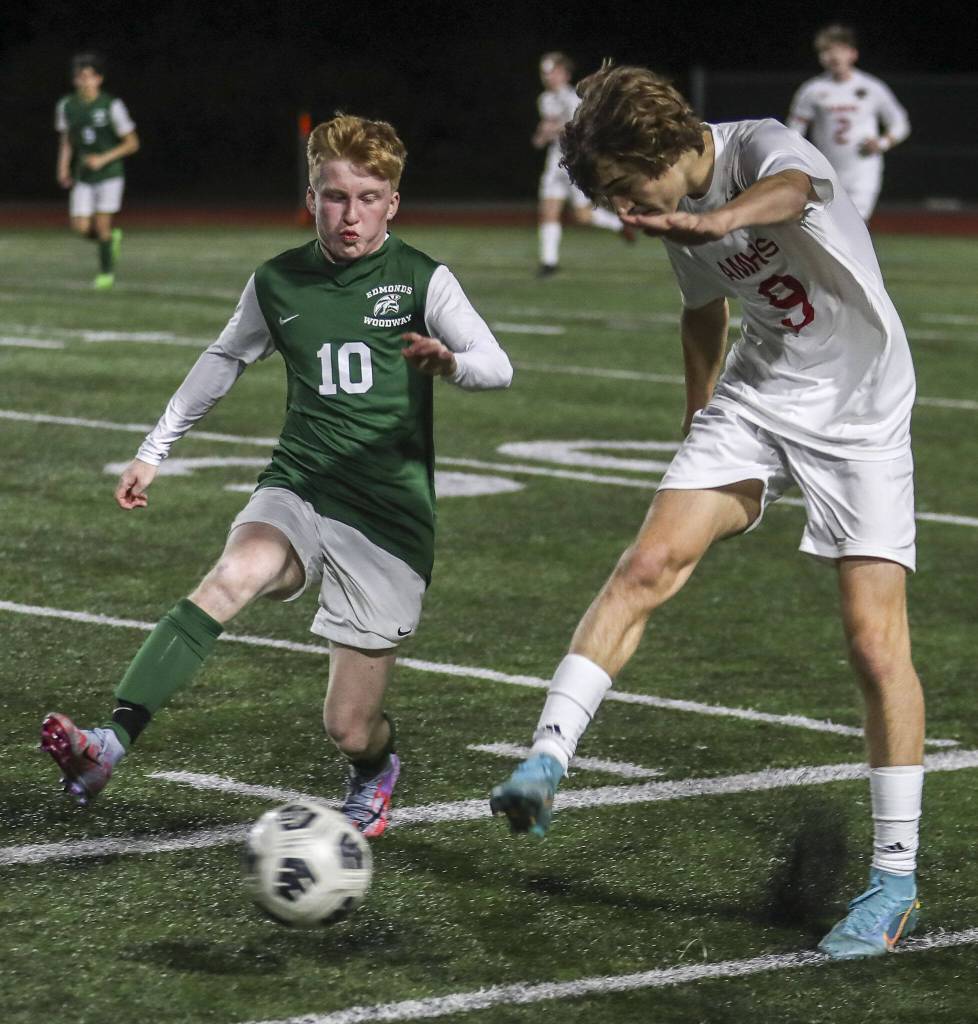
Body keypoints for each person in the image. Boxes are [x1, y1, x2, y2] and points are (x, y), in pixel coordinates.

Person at [490, 63, 923, 961]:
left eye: (620, 186)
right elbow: (703, 312)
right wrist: (700, 423)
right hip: (757, 396)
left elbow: (795, 189)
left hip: (863, 408)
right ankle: (546, 758)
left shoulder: (762, 144)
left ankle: (893, 880)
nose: (619, 209)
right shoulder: (668, 215)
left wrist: (719, 219)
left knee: (875, 644)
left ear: (660, 149)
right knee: (647, 564)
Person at [41, 114, 513, 838]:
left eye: (367, 196)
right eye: (333, 196)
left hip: (389, 516)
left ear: (393, 202)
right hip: (302, 481)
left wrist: (450, 364)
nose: (349, 214)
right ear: (310, 195)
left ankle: (376, 771)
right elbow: (224, 358)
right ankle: (109, 744)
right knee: (235, 572)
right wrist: (153, 448)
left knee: (350, 728)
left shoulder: (422, 279)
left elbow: (498, 365)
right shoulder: (278, 281)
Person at [787, 25, 909, 221]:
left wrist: (882, 143)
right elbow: (794, 132)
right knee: (824, 227)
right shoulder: (812, 90)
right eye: (827, 51)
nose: (834, 57)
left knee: (856, 224)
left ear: (853, 54)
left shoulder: (871, 87)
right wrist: (799, 160)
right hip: (824, 170)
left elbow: (900, 123)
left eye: (840, 50)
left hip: (863, 170)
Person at [534, 52, 631, 276]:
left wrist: (553, 129)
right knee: (548, 210)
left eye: (552, 72)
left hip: (573, 161)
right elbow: (547, 129)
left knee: (582, 216)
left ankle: (619, 224)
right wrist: (542, 135)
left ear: (565, 74)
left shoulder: (573, 98)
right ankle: (549, 262)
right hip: (554, 162)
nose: (548, 77)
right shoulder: (545, 99)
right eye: (545, 73)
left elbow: (578, 129)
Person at [55, 52, 139, 289]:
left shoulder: (111, 105)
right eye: (81, 77)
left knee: (102, 224)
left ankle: (106, 274)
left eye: (90, 77)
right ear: (75, 80)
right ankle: (110, 241)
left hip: (110, 174)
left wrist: (103, 158)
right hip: (84, 175)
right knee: (80, 227)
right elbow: (67, 140)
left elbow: (132, 143)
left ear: (99, 79)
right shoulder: (66, 106)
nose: (85, 81)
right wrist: (63, 168)